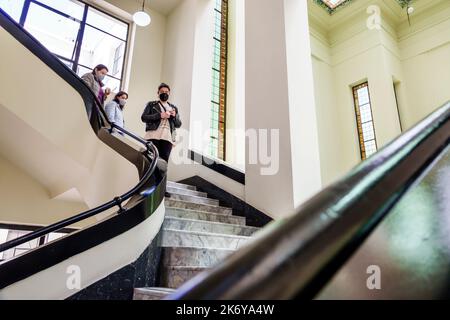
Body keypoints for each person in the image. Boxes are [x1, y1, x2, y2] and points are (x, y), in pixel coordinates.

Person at [141, 83, 182, 163]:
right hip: (153, 135)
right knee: (150, 161)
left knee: (163, 163)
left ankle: (161, 176)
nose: (164, 93)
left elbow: (178, 124)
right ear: (158, 93)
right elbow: (144, 117)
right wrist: (160, 115)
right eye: (162, 91)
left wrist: (174, 116)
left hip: (167, 138)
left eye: (166, 92)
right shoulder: (151, 104)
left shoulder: (173, 108)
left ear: (169, 93)